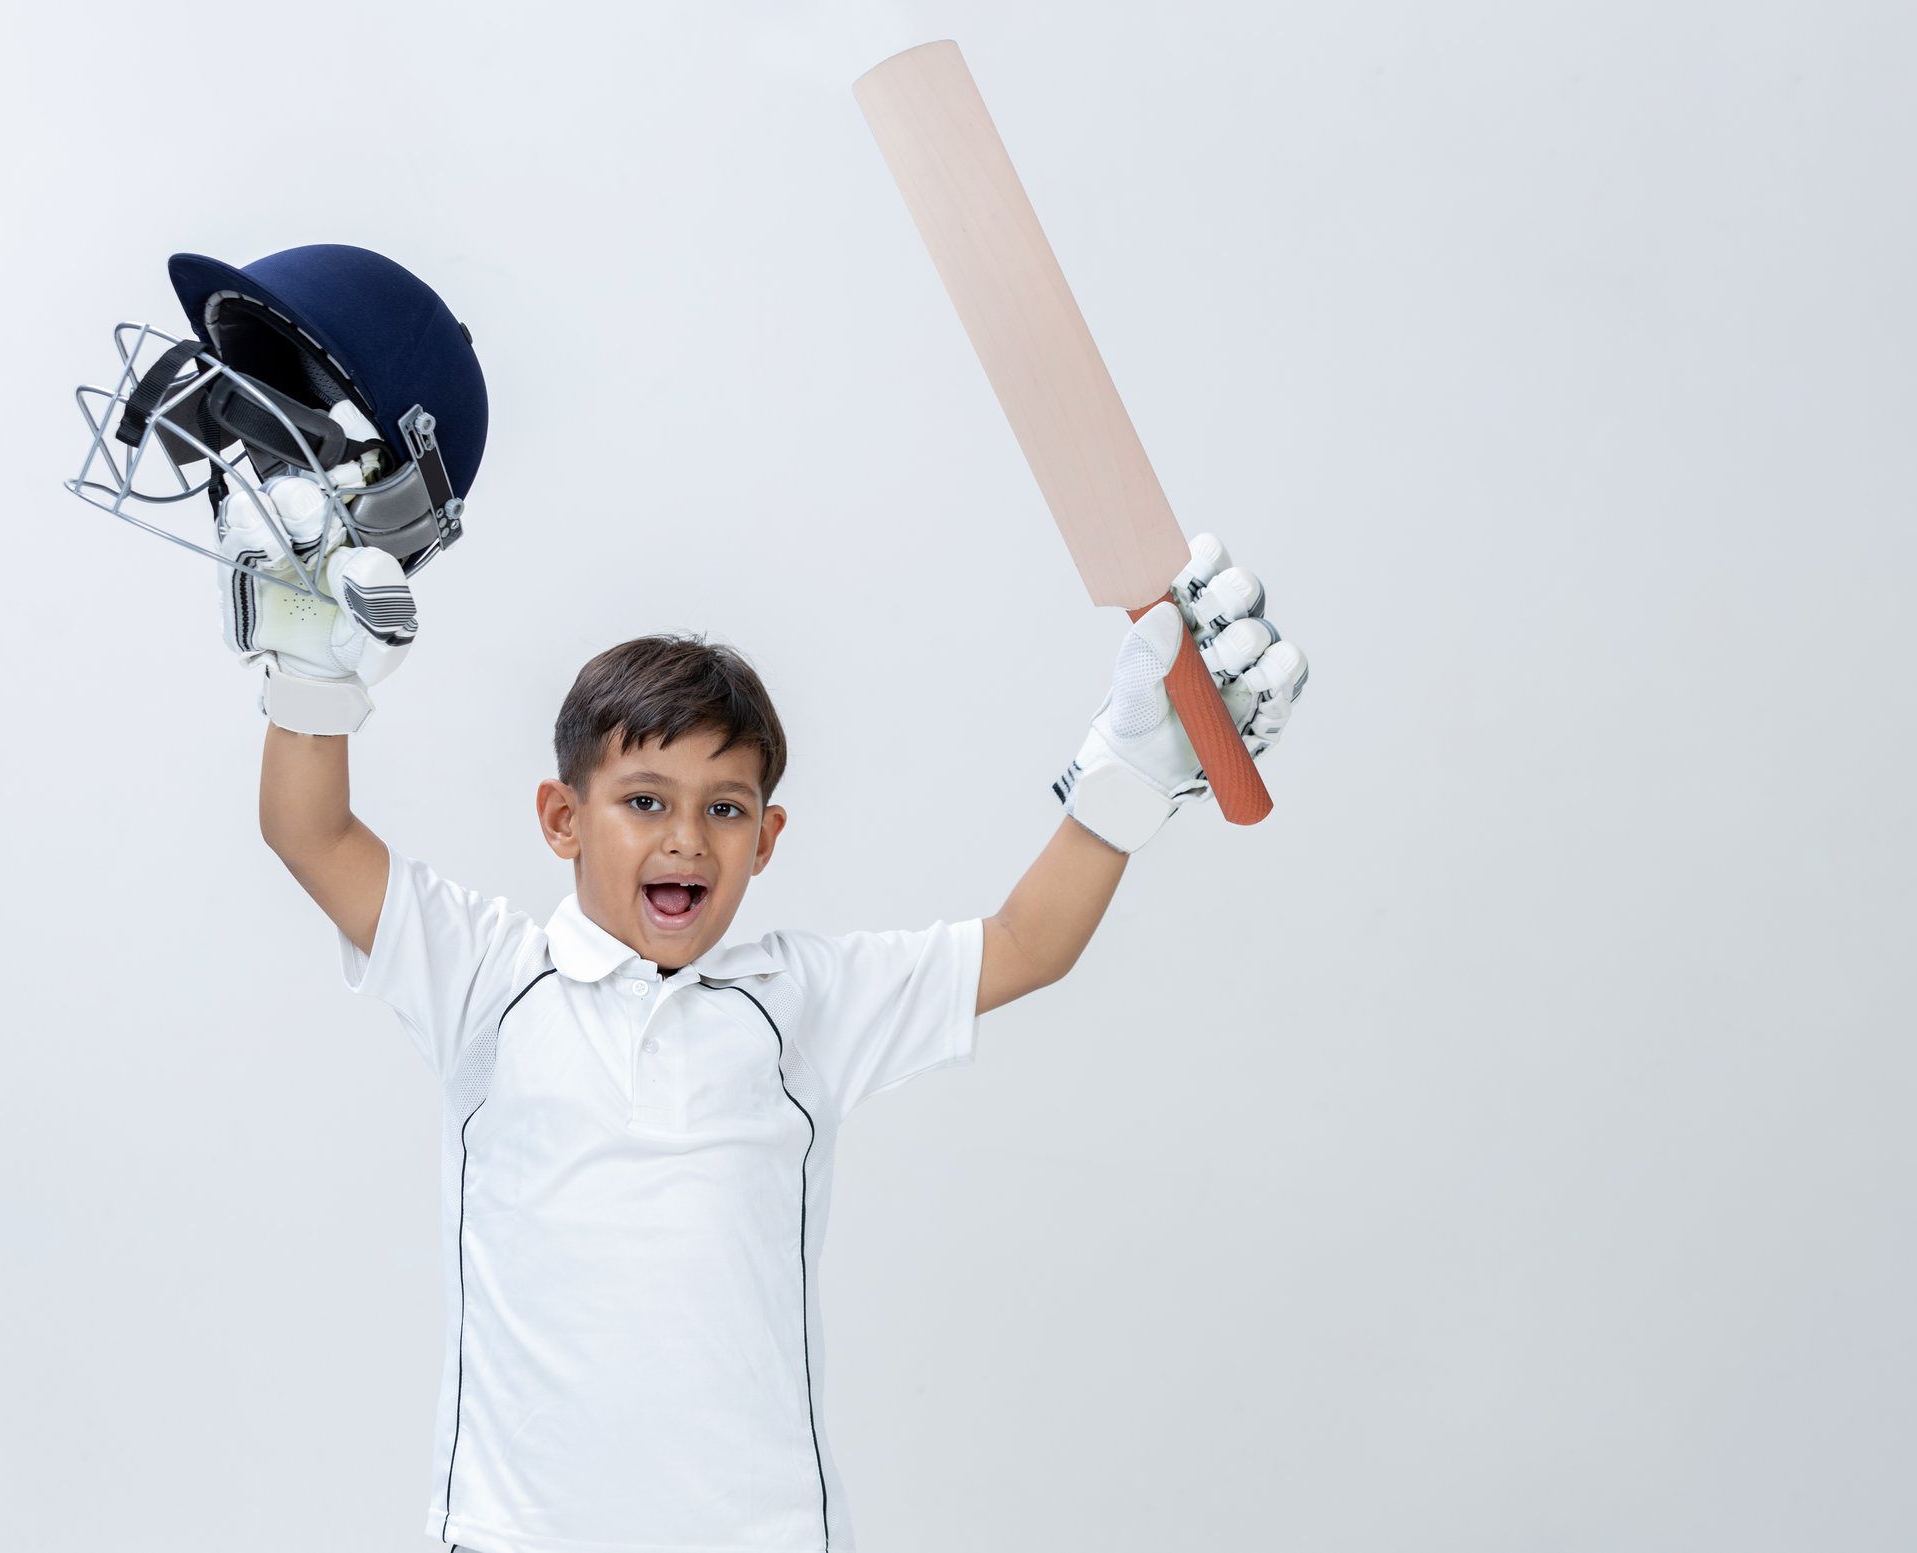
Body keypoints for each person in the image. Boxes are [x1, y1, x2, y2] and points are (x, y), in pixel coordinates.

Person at [144, 246, 1307, 1553]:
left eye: (726, 807)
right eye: (643, 799)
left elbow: (1028, 942)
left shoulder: (797, 1005)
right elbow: (306, 828)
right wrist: (311, 663)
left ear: (768, 840)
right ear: (560, 819)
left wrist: (1133, 770)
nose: (684, 837)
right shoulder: (483, 976)